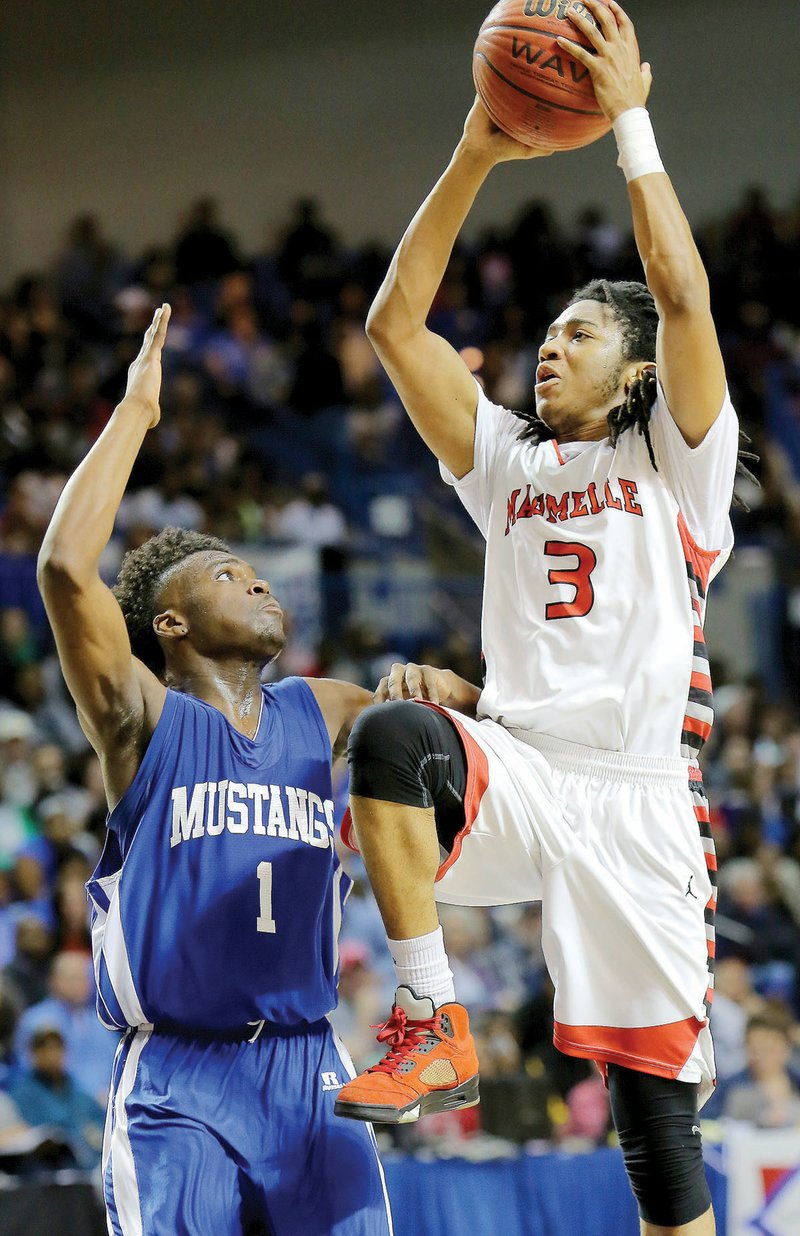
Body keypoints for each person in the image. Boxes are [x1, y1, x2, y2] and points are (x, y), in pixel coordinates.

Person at [334, 3, 745, 1233]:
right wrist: (473, 146)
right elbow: (392, 328)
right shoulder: (506, 462)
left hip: (636, 797)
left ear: (629, 370)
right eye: (545, 334)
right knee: (389, 740)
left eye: (575, 334)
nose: (543, 352)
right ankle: (427, 1016)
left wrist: (627, 120)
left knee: (652, 1129)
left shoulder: (681, 462)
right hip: (522, 769)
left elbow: (679, 294)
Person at [37, 304, 480, 1234]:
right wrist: (136, 416)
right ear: (170, 624)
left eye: (258, 573)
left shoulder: (317, 710)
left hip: (308, 1063)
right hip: (176, 1077)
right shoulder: (144, 720)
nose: (260, 580)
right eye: (229, 574)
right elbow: (68, 570)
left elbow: (461, 736)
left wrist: (447, 689)